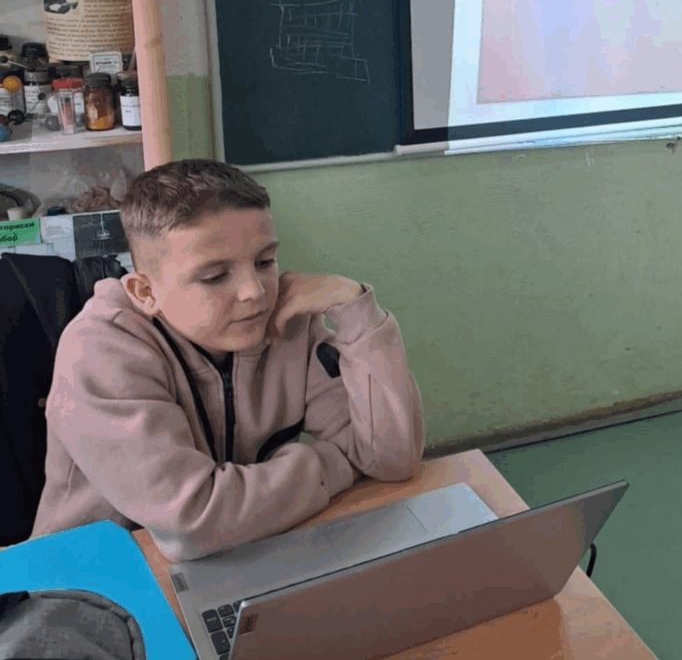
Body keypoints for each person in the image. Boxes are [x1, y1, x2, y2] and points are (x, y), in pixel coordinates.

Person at [30, 159, 425, 562]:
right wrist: (333, 464)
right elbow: (193, 523)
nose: (255, 292)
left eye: (265, 262)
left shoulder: (289, 324)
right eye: (215, 276)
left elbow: (391, 458)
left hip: (244, 554)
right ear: (145, 292)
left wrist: (356, 310)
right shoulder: (99, 351)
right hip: (90, 578)